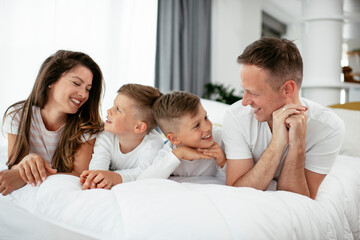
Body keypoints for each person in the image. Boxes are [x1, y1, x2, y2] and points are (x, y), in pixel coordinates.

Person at [223, 37, 345, 199]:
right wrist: (277, 143)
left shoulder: (328, 128)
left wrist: (297, 145)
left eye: (253, 92)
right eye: (244, 91)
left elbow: (297, 199)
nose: (245, 101)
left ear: (287, 89)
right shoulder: (236, 117)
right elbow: (236, 191)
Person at [0, 50, 104, 196]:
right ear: (51, 80)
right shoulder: (18, 116)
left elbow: (78, 175)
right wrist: (28, 160)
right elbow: (15, 163)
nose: (83, 94)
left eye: (88, 89)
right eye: (76, 83)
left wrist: (24, 175)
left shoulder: (86, 126)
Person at [80, 84, 164, 190]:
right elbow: (98, 163)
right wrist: (96, 178)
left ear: (139, 127)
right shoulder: (106, 136)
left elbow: (145, 173)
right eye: (113, 105)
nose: (109, 111)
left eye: (118, 109)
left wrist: (113, 177)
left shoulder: (153, 143)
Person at [137, 91, 226, 181]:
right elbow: (143, 180)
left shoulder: (221, 138)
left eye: (206, 117)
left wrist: (223, 162)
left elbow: (236, 178)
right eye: (196, 125)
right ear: (174, 139)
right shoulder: (170, 151)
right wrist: (180, 153)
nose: (208, 127)